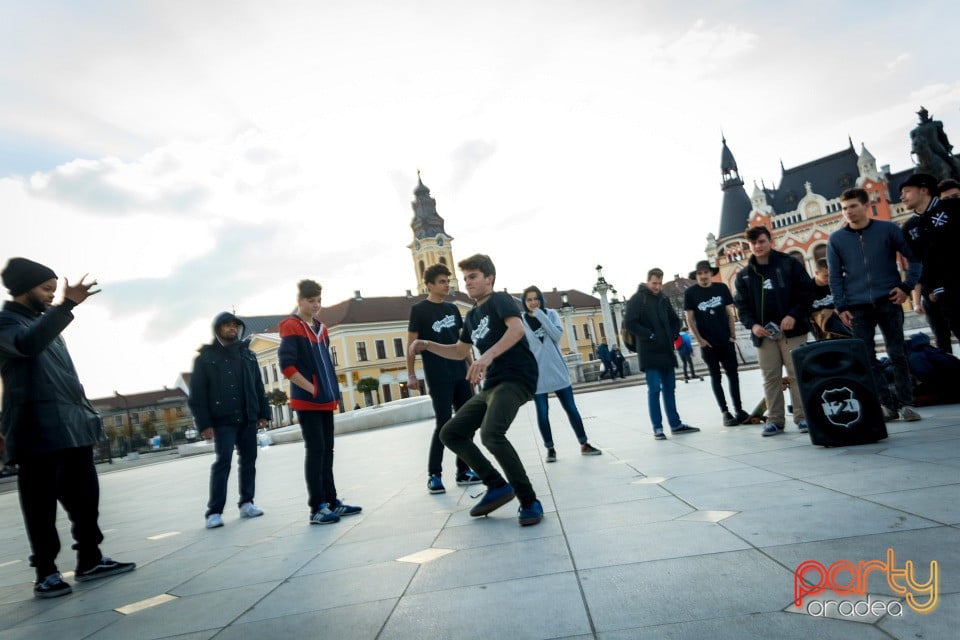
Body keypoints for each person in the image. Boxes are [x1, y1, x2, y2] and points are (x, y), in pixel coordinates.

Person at [0, 258, 135, 599]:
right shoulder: (5, 324)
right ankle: (45, 573)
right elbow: (27, 344)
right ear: (22, 289)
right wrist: (66, 304)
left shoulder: (44, 321)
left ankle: (90, 559)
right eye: (46, 289)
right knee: (40, 507)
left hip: (72, 425)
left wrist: (87, 416)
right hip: (36, 430)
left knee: (86, 500)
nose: (51, 295)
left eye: (53, 290)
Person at [409, 254, 543, 526]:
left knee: (491, 434)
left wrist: (486, 357)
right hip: (492, 385)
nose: (467, 283)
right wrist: (427, 344)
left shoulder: (500, 300)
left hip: (516, 378)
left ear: (489, 278)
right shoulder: (470, 316)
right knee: (451, 432)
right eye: (466, 278)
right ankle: (496, 485)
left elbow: (516, 330)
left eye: (473, 277)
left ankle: (529, 500)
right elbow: (460, 351)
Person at [828, 188, 922, 422]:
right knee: (867, 358)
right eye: (844, 208)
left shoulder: (888, 229)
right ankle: (886, 405)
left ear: (866, 205)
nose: (848, 212)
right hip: (857, 306)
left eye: (853, 206)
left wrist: (906, 287)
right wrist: (841, 306)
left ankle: (907, 404)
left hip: (888, 300)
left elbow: (915, 258)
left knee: (897, 353)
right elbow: (835, 276)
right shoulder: (836, 239)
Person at [279, 279, 362, 525]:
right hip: (308, 402)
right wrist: (313, 389)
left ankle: (332, 501)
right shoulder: (290, 326)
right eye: (310, 300)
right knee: (316, 453)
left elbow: (326, 362)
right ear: (300, 301)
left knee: (327, 452)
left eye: (318, 301)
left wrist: (330, 391)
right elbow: (287, 366)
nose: (315, 305)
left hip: (326, 400)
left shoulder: (321, 328)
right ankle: (317, 507)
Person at [189, 312, 272, 529]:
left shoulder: (248, 355)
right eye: (226, 325)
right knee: (223, 463)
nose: (232, 328)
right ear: (218, 329)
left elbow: (258, 387)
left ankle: (247, 503)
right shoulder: (205, 359)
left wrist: (263, 413)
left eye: (235, 325)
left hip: (248, 418)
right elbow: (197, 395)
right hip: (222, 421)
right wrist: (204, 424)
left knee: (249, 461)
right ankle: (214, 512)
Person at [407, 263, 480, 494]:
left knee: (466, 421)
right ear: (429, 285)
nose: (447, 285)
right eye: (441, 282)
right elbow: (411, 345)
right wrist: (410, 374)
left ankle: (463, 470)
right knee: (443, 423)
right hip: (438, 376)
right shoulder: (419, 310)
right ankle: (434, 475)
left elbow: (462, 344)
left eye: (448, 281)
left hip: (460, 374)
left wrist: (472, 366)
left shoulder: (452, 309)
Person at [734, 226, 813, 436]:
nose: (758, 246)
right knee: (771, 377)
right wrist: (753, 325)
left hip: (792, 330)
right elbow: (741, 307)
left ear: (770, 240)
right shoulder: (744, 275)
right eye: (753, 244)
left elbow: (806, 292)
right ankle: (775, 420)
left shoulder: (789, 264)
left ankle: (803, 417)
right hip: (764, 335)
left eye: (761, 241)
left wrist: (793, 315)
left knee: (798, 374)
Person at [520, 285, 601, 462]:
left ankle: (584, 444)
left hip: (557, 371)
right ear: (524, 302)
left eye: (536, 299)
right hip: (538, 376)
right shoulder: (521, 321)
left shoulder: (550, 314)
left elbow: (556, 335)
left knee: (571, 409)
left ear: (541, 300)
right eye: (529, 300)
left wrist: (540, 315)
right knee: (542, 413)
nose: (533, 303)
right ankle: (550, 449)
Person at [624, 268, 700, 440]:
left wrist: (671, 335)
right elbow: (630, 323)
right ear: (647, 281)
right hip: (649, 352)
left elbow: (676, 320)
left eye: (659, 283)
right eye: (654, 283)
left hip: (666, 350)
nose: (657, 287)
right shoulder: (637, 299)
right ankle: (657, 428)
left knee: (669, 388)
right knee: (654, 389)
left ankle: (675, 424)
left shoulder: (663, 299)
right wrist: (650, 335)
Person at [684, 260, 749, 426]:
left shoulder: (721, 288)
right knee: (716, 377)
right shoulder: (691, 293)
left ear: (711, 274)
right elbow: (689, 319)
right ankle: (725, 412)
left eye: (706, 272)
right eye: (700, 274)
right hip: (708, 343)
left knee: (733, 375)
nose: (703, 276)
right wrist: (700, 340)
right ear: (696, 276)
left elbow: (729, 313)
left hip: (725, 340)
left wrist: (733, 335)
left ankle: (739, 410)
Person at [902, 173, 960, 351]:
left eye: (906, 192)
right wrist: (929, 290)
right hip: (937, 294)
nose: (902, 197)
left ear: (923, 190)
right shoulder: (910, 227)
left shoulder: (952, 208)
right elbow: (919, 263)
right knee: (943, 341)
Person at [809, 259, 852, 341]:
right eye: (826, 276)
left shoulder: (836, 284)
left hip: (842, 320)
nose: (829, 279)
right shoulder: (808, 289)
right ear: (816, 273)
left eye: (831, 275)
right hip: (822, 326)